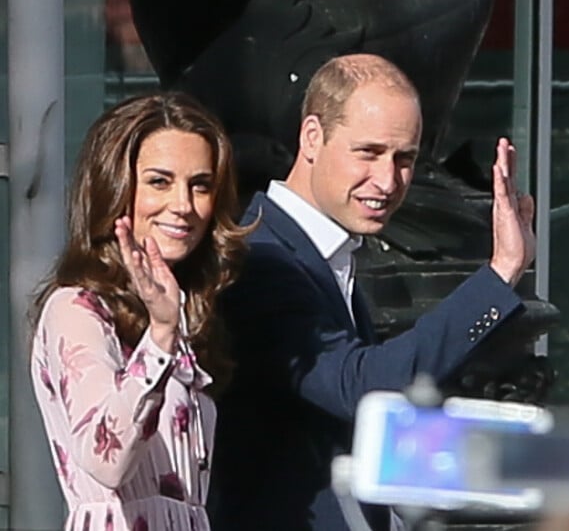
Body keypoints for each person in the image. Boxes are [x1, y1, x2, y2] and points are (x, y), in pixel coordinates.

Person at [208, 54, 536, 531]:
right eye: (368, 152)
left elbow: (354, 432)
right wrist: (500, 271)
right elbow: (361, 388)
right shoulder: (261, 259)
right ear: (313, 137)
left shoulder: (321, 255)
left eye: (405, 159)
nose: (388, 181)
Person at [30, 92, 247, 531]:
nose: (184, 205)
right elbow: (105, 459)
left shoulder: (183, 312)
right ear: (115, 187)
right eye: (159, 182)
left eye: (200, 185)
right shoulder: (76, 308)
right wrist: (161, 336)